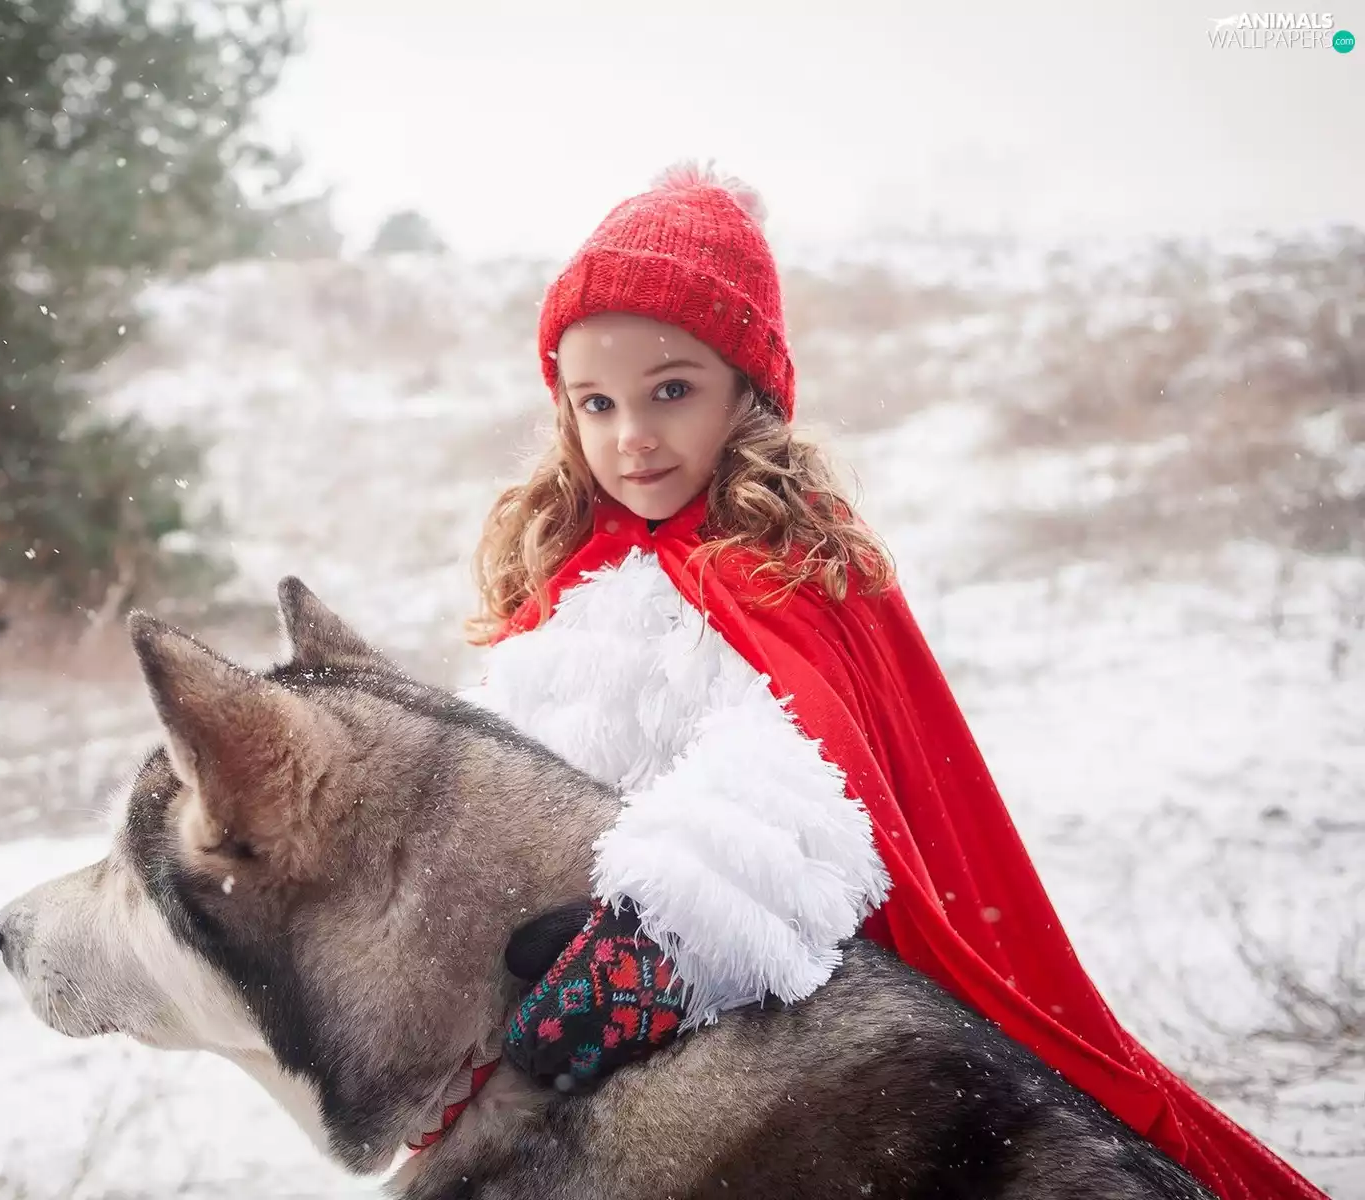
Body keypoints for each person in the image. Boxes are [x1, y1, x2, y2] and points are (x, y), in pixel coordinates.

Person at [455, 163, 1327, 1200]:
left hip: (781, 1019)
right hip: (585, 1029)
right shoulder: (578, 578)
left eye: (671, 391)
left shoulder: (775, 568)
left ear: (747, 391)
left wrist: (659, 940)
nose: (631, 435)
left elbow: (794, 777)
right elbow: (506, 759)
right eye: (596, 404)